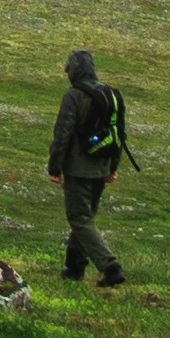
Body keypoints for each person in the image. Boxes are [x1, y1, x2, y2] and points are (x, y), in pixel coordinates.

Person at [48, 49, 134, 286]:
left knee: (79, 218)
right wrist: (112, 166)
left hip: (78, 169)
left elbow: (62, 134)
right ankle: (74, 268)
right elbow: (120, 134)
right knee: (84, 218)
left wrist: (54, 166)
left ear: (74, 71)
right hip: (102, 166)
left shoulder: (74, 96)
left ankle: (110, 267)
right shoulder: (111, 94)